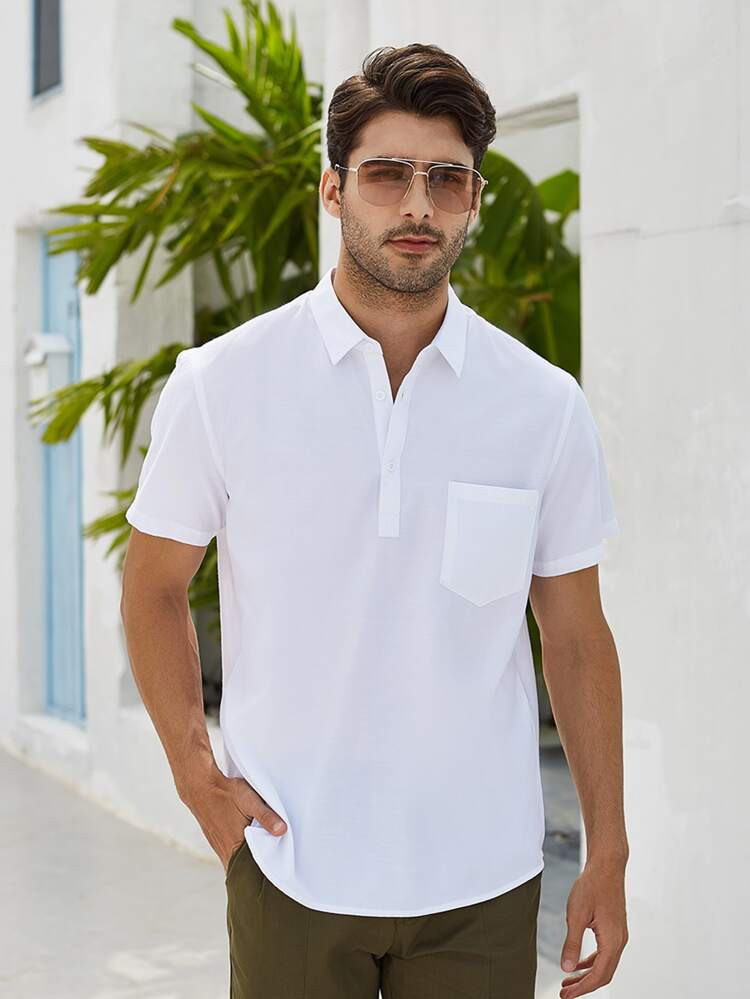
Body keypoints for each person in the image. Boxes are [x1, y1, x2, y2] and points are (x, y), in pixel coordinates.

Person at [121, 42, 629, 999]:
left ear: (473, 201)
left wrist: (609, 848)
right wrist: (196, 774)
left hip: (484, 877)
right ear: (333, 189)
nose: (417, 205)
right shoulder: (223, 384)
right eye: (387, 173)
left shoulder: (542, 405)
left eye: (447, 179)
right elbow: (152, 586)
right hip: (291, 866)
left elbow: (575, 634)